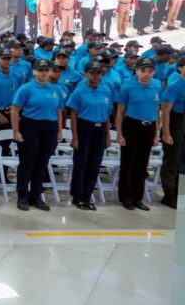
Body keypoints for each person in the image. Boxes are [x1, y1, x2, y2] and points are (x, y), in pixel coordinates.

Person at [11, 59, 63, 211]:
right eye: (41, 70)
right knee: (27, 163)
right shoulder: (26, 88)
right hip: (31, 127)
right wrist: (16, 131)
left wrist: (59, 130)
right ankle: (22, 196)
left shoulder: (55, 90)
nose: (44, 72)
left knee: (41, 164)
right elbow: (15, 109)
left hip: (50, 128)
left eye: (46, 70)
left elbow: (59, 111)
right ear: (34, 72)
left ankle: (36, 196)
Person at [116, 57, 162, 210]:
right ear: (137, 71)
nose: (146, 74)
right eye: (143, 70)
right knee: (128, 163)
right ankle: (126, 198)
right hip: (132, 125)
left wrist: (156, 134)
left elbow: (156, 110)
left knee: (142, 165)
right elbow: (120, 112)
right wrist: (120, 134)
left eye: (150, 71)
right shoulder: (128, 87)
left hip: (149, 127)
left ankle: (137, 198)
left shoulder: (156, 85)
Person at [66, 61, 113, 210]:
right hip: (84, 127)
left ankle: (87, 196)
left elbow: (107, 115)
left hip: (100, 129)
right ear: (86, 74)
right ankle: (77, 196)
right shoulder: (80, 91)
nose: (95, 75)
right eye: (92, 73)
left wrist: (107, 136)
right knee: (81, 164)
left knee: (94, 165)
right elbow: (73, 115)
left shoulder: (105, 90)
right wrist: (75, 137)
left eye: (98, 73)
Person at [159, 57, 185, 209]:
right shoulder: (175, 86)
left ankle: (180, 194)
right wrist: (166, 133)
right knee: (172, 163)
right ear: (181, 68)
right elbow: (166, 111)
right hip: (175, 124)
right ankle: (169, 195)